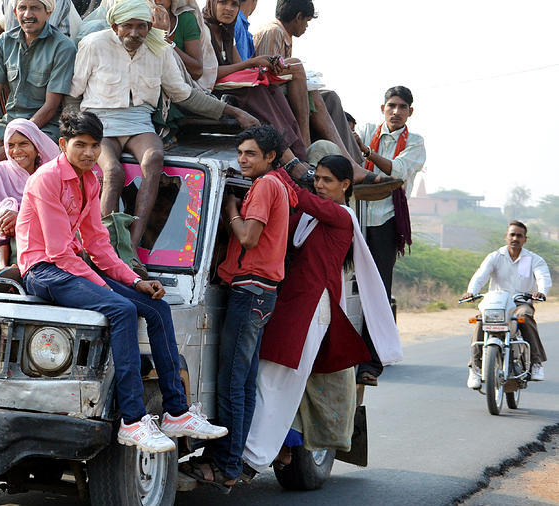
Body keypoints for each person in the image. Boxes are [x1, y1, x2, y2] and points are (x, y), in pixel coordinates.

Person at [16, 111, 228, 453]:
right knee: (122, 310)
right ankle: (132, 420)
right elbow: (57, 252)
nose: (88, 152)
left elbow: (98, 244)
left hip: (70, 268)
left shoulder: (90, 181)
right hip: (42, 270)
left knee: (156, 307)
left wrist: (133, 279)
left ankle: (177, 411)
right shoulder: (47, 179)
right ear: (62, 145)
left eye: (94, 146)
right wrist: (106, 288)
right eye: (80, 145)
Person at [242, 154, 402, 470]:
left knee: (279, 378)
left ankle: (255, 455)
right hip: (296, 305)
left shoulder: (340, 215)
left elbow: (299, 197)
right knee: (273, 377)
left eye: (327, 180)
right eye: (317, 179)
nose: (319, 185)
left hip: (312, 308)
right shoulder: (313, 218)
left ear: (346, 185)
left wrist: (279, 167)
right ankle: (267, 449)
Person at [69, 0, 261, 249]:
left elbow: (184, 94)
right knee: (113, 173)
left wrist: (234, 112)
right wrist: (76, 132)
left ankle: (131, 247)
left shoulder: (160, 49)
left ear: (150, 27)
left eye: (142, 27)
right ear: (115, 26)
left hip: (139, 121)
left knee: (153, 159)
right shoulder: (93, 44)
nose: (135, 33)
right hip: (99, 122)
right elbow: (73, 95)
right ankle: (104, 247)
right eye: (128, 26)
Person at [181, 125, 295, 490]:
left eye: (250, 154)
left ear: (270, 158)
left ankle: (226, 465)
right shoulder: (279, 185)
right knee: (243, 384)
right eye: (240, 152)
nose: (242, 159)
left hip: (250, 292)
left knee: (232, 382)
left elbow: (248, 236)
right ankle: (232, 460)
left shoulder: (265, 186)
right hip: (261, 293)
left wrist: (230, 209)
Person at [0, 0, 77, 224]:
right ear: (15, 11)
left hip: (45, 126)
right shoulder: (5, 42)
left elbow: (51, 105)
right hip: (10, 120)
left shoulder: (63, 46)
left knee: (13, 164)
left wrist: (10, 145)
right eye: (22, 8)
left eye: (35, 8)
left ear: (48, 11)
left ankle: (2, 228)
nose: (28, 14)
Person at [253, 0, 385, 185]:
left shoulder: (284, 35)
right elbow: (268, 76)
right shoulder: (273, 32)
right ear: (298, 17)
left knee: (330, 97)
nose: (306, 27)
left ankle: (353, 162)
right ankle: (317, 151)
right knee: (313, 93)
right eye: (306, 21)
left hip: (283, 91)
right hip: (270, 98)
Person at [353, 85, 426, 384]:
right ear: (382, 108)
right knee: (347, 285)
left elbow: (396, 171)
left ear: (410, 112)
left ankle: (371, 363)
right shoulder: (367, 129)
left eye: (402, 107)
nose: (396, 112)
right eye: (391, 106)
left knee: (378, 290)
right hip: (356, 216)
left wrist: (366, 151)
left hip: (385, 220)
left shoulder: (416, 142)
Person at [202, 0, 310, 167]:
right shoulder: (203, 30)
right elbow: (207, 73)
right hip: (207, 91)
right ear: (212, 4)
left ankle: (299, 154)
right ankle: (290, 161)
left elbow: (241, 70)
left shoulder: (226, 32)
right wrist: (251, 63)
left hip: (230, 89)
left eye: (234, 4)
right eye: (223, 2)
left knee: (270, 88)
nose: (229, 9)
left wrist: (265, 66)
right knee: (256, 92)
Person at [463, 221, 552, 386]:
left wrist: (541, 291)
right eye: (512, 234)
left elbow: (543, 277)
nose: (515, 238)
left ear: (525, 239)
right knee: (480, 320)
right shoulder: (495, 256)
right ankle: (475, 367)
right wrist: (471, 291)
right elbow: (480, 276)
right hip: (497, 304)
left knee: (524, 316)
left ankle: (536, 363)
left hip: (520, 303)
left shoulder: (533, 259)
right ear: (506, 237)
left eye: (519, 235)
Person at [0, 118, 59, 274]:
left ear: (36, 146)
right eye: (11, 145)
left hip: (43, 239)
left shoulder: (50, 175)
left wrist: (23, 219)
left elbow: (59, 215)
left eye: (23, 144)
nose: (16, 151)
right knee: (5, 211)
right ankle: (4, 270)